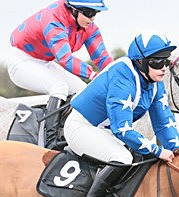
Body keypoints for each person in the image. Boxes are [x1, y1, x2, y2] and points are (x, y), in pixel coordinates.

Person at [64, 32, 179, 197]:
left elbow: (163, 124)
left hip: (104, 132)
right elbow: (123, 129)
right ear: (141, 62)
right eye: (157, 62)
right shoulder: (123, 76)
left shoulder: (155, 83)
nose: (163, 67)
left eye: (166, 61)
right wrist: (157, 150)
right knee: (122, 157)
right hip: (82, 127)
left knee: (142, 158)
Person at [8, 1, 113, 149]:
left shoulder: (88, 27)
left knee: (82, 90)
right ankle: (49, 140)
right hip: (21, 61)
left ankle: (70, 131)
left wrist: (118, 75)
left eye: (96, 13)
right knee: (59, 86)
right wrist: (92, 75)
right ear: (74, 10)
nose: (92, 18)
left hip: (44, 62)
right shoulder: (54, 20)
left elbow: (102, 58)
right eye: (89, 13)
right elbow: (66, 59)